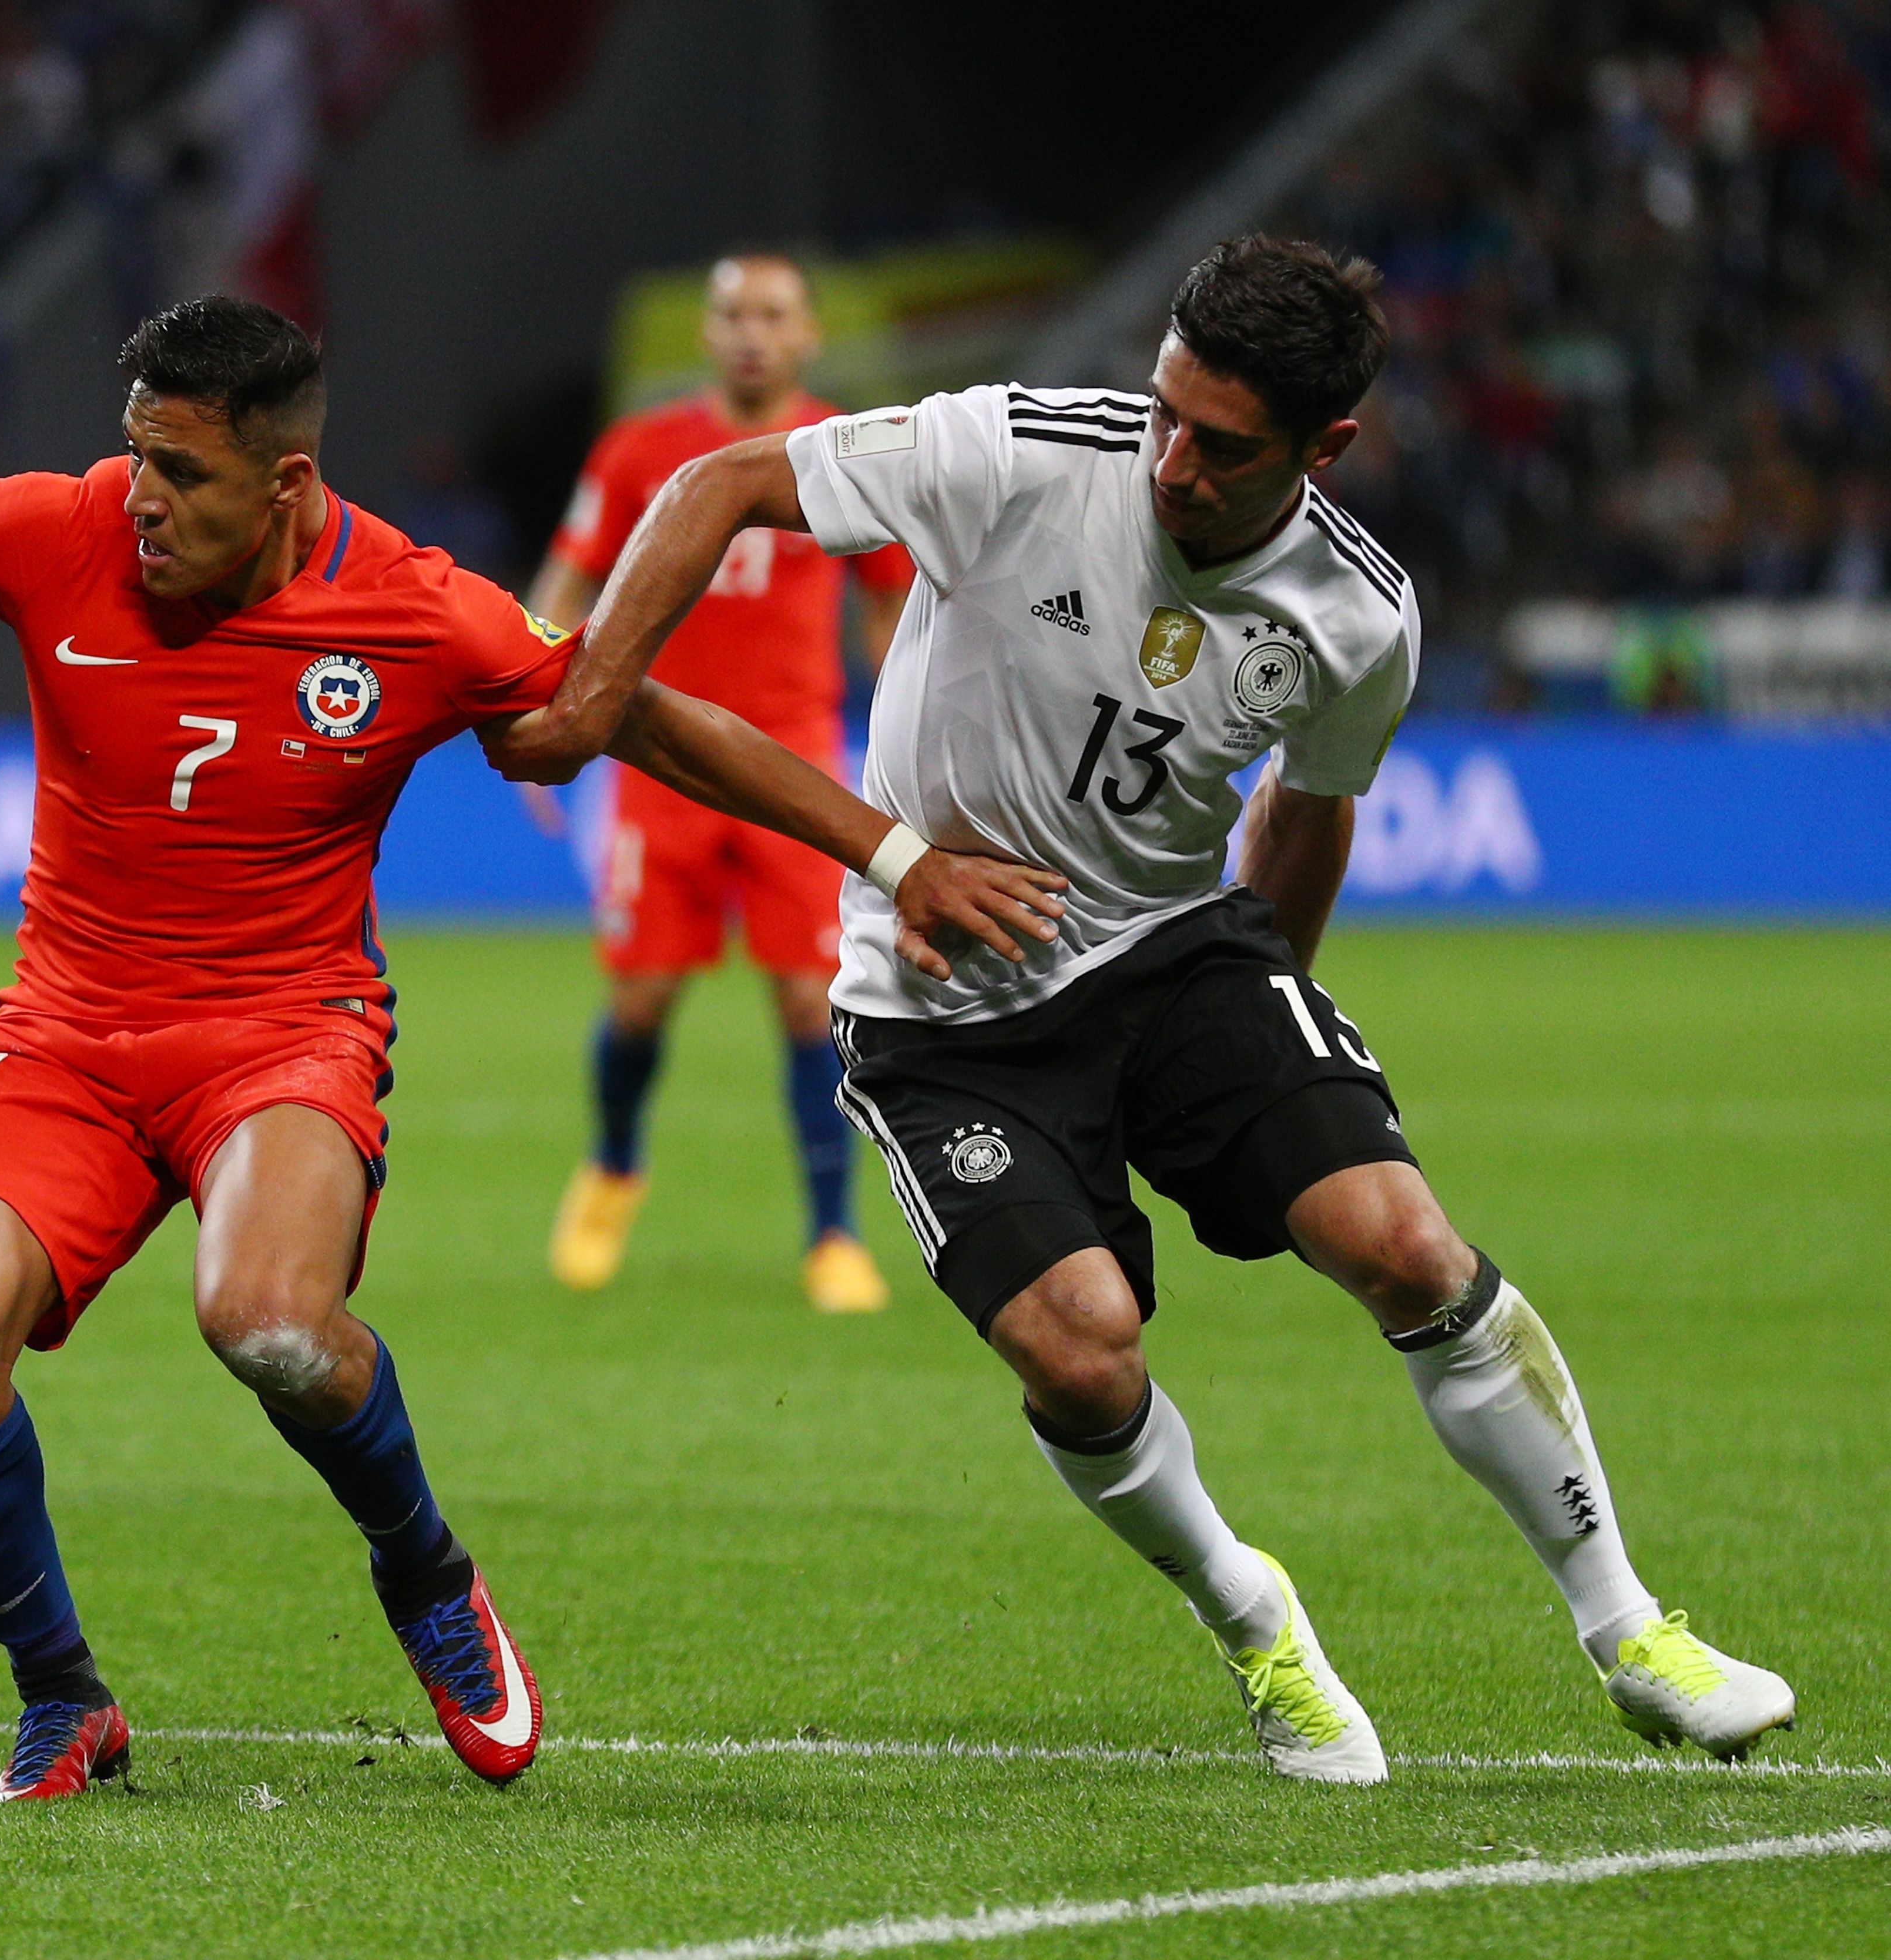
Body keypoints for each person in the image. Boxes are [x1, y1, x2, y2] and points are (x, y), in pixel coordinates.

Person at [0, 296, 990, 1801]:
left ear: (286, 484)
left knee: (268, 1321)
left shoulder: (428, 614)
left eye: (182, 474)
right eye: (134, 458)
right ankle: (64, 1698)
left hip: (285, 1032)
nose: (142, 501)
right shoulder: (58, 529)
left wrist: (893, 858)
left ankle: (427, 1574)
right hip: (66, 1029)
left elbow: (658, 725)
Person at [493, 237, 1793, 1781]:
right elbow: (716, 486)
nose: (1169, 461)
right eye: (1163, 411)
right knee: (1082, 1351)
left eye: (1219, 445)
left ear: (1326, 450)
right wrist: (592, 706)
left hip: (1175, 955)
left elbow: (1307, 816)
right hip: (939, 1011)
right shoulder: (1015, 449)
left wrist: (1272, 1059)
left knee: (1402, 1244)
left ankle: (1629, 1627)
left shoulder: (1357, 618)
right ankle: (1257, 1625)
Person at [532, 254, 914, 1314]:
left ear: (809, 336)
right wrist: (531, 697)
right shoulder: (640, 450)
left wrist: (911, 738)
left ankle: (834, 1235)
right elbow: (565, 583)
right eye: (733, 314)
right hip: (659, 757)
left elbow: (891, 612)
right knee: (642, 999)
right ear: (708, 334)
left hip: (792, 761)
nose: (752, 332)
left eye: (773, 315)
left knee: (809, 1001)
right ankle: (613, 1165)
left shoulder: (849, 453)